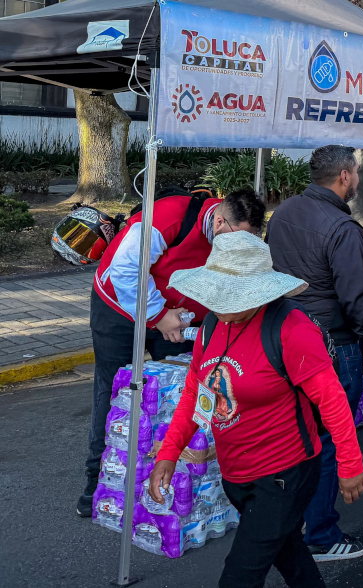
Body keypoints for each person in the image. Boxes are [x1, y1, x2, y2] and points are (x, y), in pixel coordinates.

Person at [148, 231, 363, 588]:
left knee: (239, 577)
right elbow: (195, 394)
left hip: (285, 473)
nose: (220, 303)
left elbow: (332, 400)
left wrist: (350, 464)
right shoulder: (212, 325)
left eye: (231, 295)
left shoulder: (291, 328)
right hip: (236, 473)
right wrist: (170, 452)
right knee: (289, 553)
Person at [80, 188, 265, 517]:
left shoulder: (233, 233)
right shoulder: (168, 218)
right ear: (219, 221)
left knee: (187, 390)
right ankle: (98, 483)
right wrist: (158, 315)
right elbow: (125, 272)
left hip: (176, 314)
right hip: (118, 307)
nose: (241, 248)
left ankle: (184, 477)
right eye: (238, 240)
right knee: (112, 392)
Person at [266, 145, 363, 561]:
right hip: (334, 345)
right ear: (344, 176)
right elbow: (358, 298)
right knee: (330, 437)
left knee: (299, 436)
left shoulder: (282, 214)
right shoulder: (342, 227)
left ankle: (298, 520)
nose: (355, 179)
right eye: (354, 173)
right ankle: (320, 532)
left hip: (284, 340)